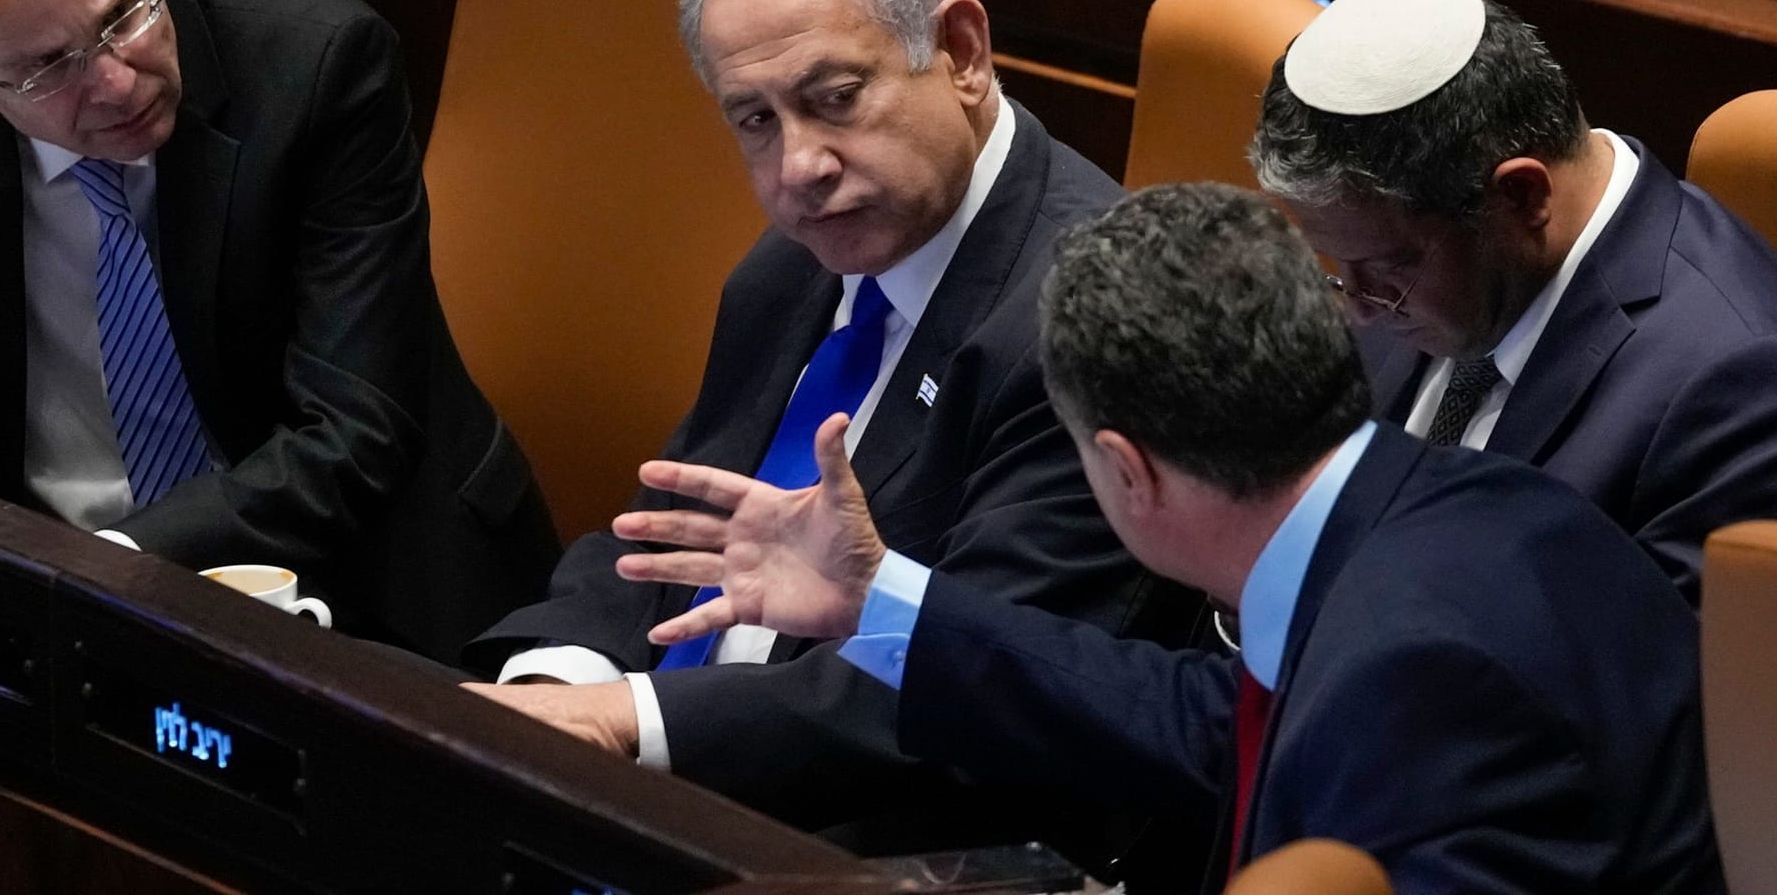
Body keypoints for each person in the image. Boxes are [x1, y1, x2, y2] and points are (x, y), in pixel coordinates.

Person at [616, 182, 1723, 893]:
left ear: (1128, 468)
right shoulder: (1445, 506)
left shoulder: (1421, 681)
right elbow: (1209, 721)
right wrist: (879, 599)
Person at [462, 0, 1200, 849]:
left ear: (963, 53)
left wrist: (622, 723)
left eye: (834, 99)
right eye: (756, 120)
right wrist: (551, 681)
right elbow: (678, 534)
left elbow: (973, 683)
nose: (799, 166)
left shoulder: (1092, 324)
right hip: (663, 792)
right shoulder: (798, 263)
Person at [0, 0, 560, 661]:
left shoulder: (319, 62)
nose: (117, 82)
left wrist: (99, 570)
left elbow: (353, 430)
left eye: (124, 14)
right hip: (46, 589)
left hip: (363, 576)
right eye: (50, 69)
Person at [1250, 0, 1777, 603]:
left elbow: (1652, 688)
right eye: (1338, 261)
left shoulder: (1736, 384)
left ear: (1522, 195)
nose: (1360, 310)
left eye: (1388, 267)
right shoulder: (1424, 257)